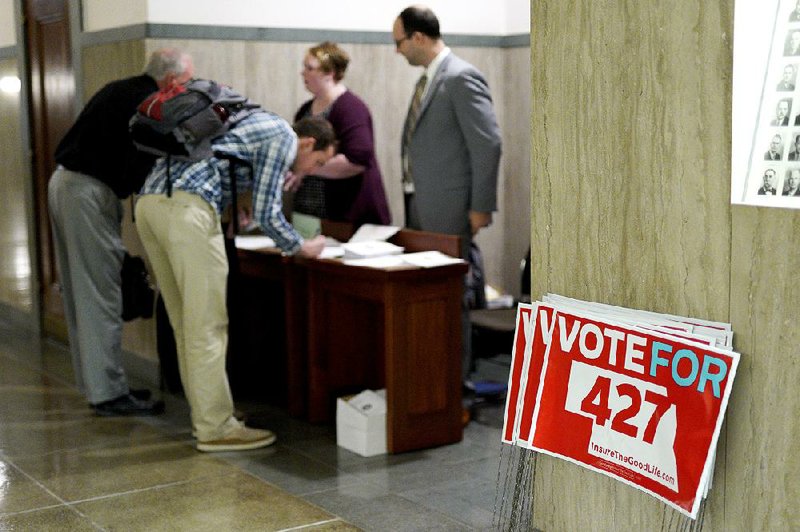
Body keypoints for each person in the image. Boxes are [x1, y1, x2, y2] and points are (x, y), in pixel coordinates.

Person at [135, 110, 335, 452]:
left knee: (186, 324)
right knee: (208, 324)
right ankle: (216, 427)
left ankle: (208, 414)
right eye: (317, 162)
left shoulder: (252, 120)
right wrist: (302, 248)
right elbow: (267, 212)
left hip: (149, 204)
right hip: (188, 213)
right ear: (308, 142)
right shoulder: (283, 137)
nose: (312, 171)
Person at [48, 48, 194, 416]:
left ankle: (99, 385)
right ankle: (108, 394)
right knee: (101, 293)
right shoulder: (147, 103)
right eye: (188, 83)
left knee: (85, 291)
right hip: (87, 192)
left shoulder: (123, 89)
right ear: (173, 81)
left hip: (67, 184)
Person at [392, 5, 502, 382]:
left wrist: (481, 206)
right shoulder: (428, 79)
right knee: (431, 296)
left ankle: (457, 384)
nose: (397, 50)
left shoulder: (460, 77)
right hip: (421, 202)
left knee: (452, 298)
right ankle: (433, 379)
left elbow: (487, 144)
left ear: (419, 37)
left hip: (450, 207)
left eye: (399, 42)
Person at [284, 42, 391, 226]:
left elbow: (358, 160)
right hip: (310, 213)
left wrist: (308, 168)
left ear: (329, 73)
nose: (303, 73)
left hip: (346, 212)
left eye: (310, 68)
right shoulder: (305, 110)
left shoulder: (351, 108)